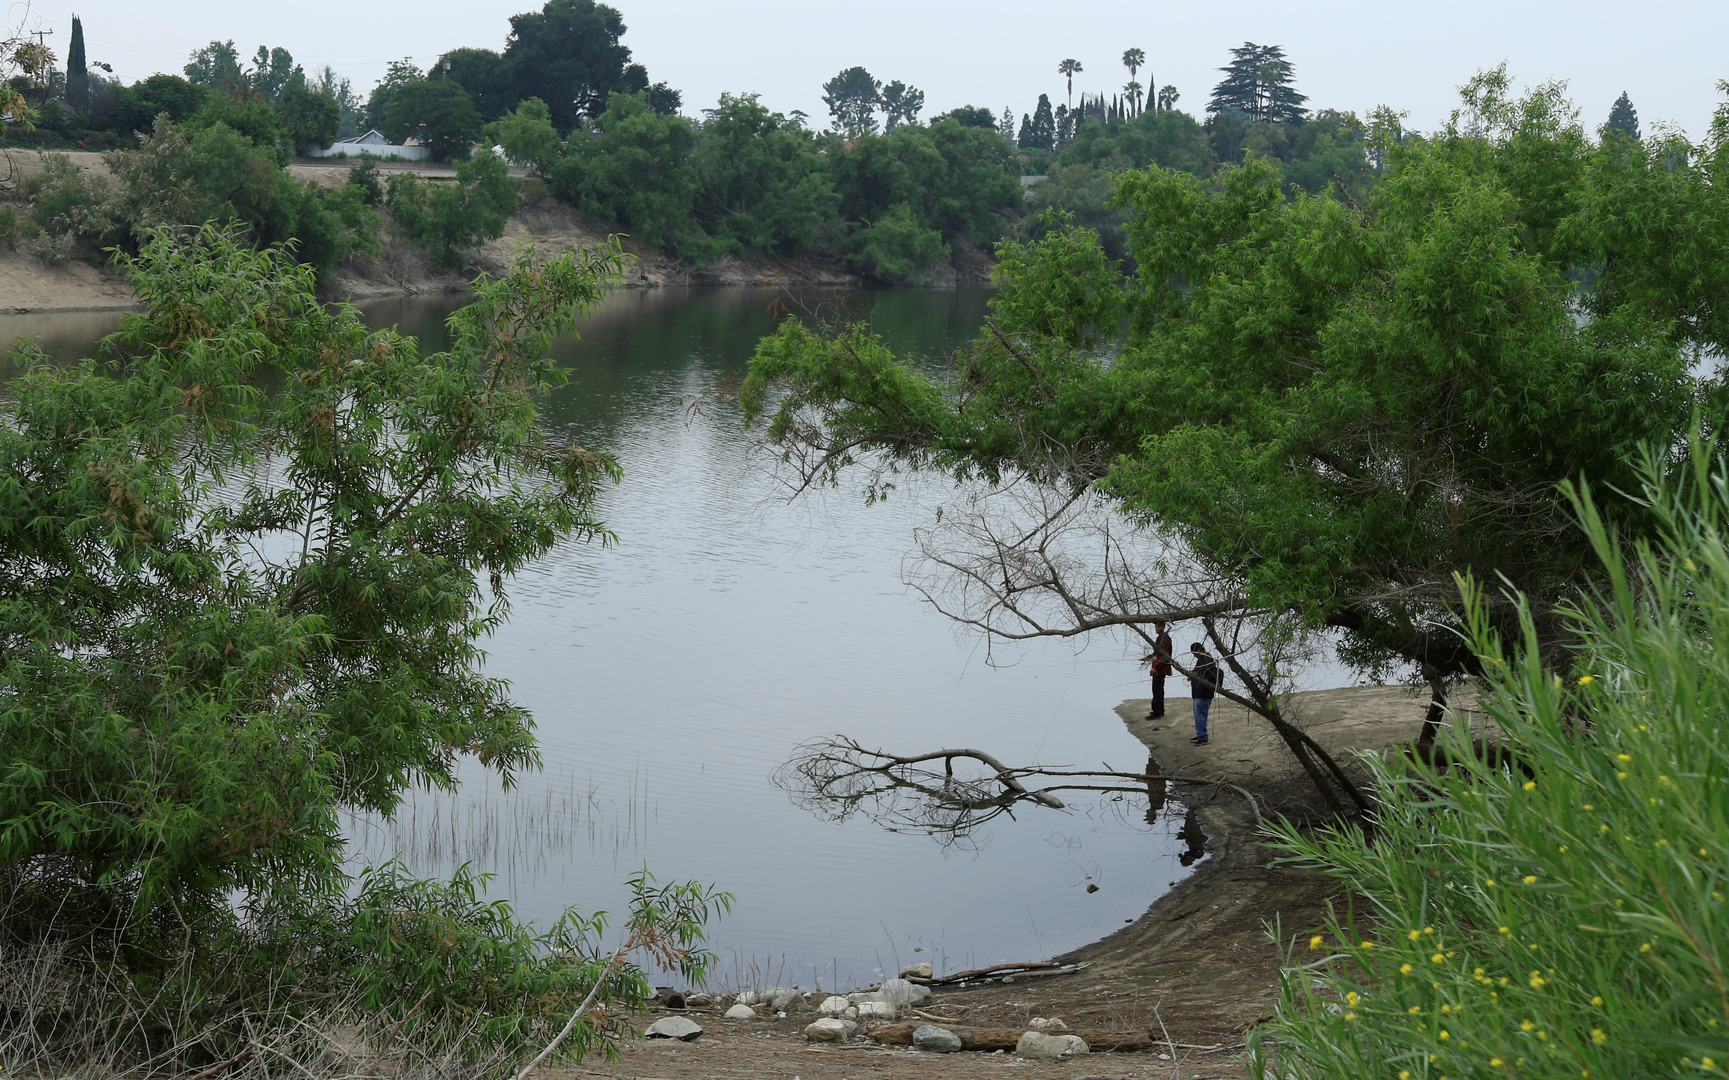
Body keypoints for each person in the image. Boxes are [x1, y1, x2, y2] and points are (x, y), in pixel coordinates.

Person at [1141, 620, 1174, 720]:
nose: (1156, 629)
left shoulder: (1165, 640)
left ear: (1163, 627)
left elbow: (1164, 656)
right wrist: (1148, 657)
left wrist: (1155, 668)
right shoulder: (1160, 638)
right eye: (1155, 627)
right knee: (1158, 690)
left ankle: (1157, 712)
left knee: (1157, 690)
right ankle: (1159, 710)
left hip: (1161, 668)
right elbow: (1156, 653)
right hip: (1158, 667)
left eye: (1158, 627)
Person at [1187, 642, 1218, 745]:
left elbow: (1204, 674)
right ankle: (1200, 734)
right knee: (1197, 714)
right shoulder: (1201, 660)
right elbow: (1197, 671)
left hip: (1204, 693)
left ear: (1199, 650)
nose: (1194, 656)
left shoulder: (1207, 659)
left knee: (1201, 715)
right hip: (1198, 693)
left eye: (1195, 653)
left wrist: (1193, 674)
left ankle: (1204, 737)